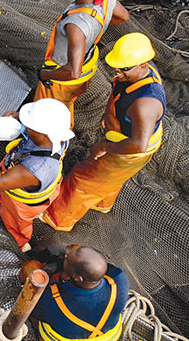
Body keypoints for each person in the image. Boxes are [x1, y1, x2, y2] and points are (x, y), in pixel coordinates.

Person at [45, 32, 165, 230]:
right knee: (110, 178)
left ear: (143, 65)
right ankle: (102, 203)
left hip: (131, 150)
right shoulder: (139, 71)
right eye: (116, 66)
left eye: (124, 68)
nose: (117, 71)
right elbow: (121, 97)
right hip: (124, 134)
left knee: (83, 180)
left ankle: (58, 219)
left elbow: (138, 145)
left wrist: (104, 147)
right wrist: (108, 117)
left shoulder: (146, 105)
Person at [0, 99, 75, 253]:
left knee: (15, 223)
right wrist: (18, 116)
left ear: (45, 134)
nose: (25, 126)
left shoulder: (37, 168)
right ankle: (1, 200)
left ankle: (21, 243)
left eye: (29, 125)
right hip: (29, 178)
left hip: (21, 204)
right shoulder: (58, 134)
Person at [36, 0, 129, 125]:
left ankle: (52, 145)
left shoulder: (76, 25)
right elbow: (123, 16)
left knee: (47, 117)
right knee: (66, 104)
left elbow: (73, 72)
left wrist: (45, 75)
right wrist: (98, 27)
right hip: (87, 70)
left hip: (63, 80)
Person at [26, 244, 129, 341]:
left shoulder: (53, 301)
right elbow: (93, 266)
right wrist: (71, 257)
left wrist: (46, 271)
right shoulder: (120, 279)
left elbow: (31, 308)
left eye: (67, 260)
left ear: (77, 278)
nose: (66, 253)